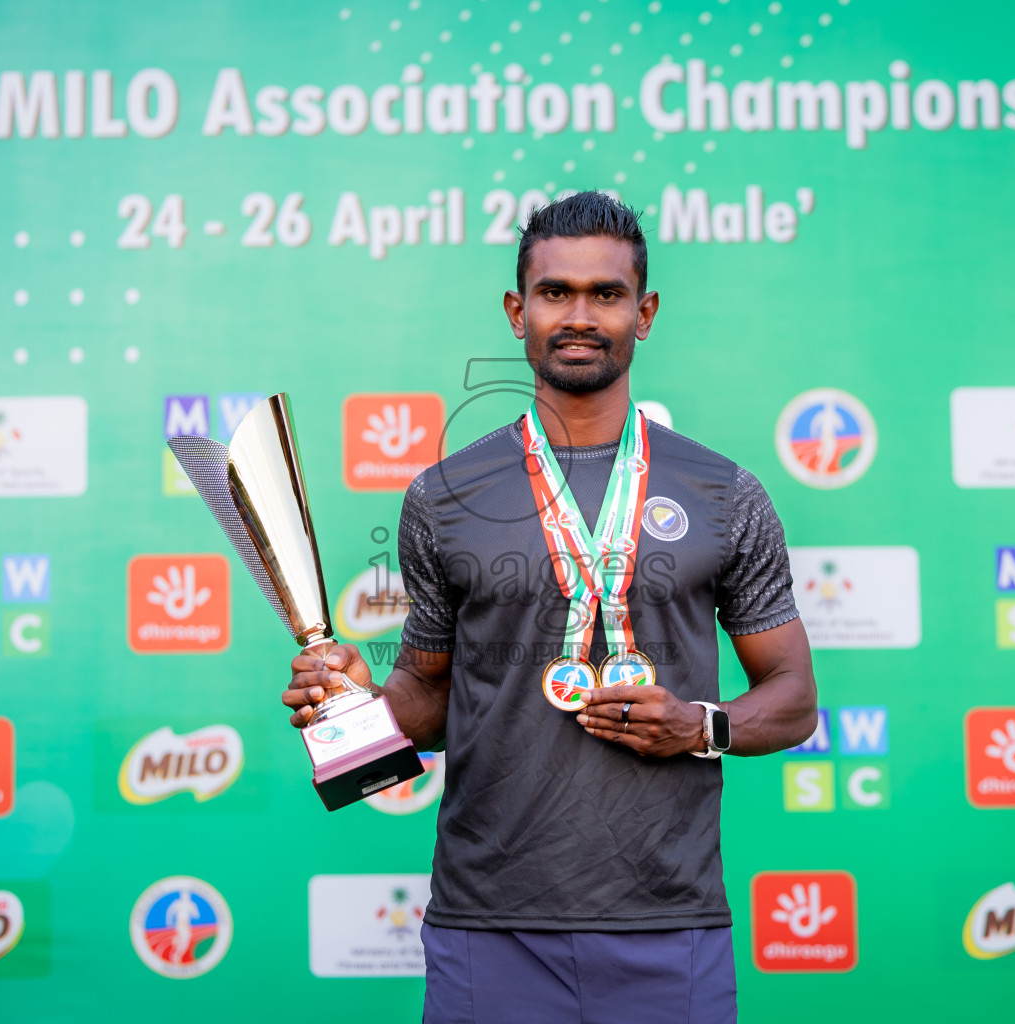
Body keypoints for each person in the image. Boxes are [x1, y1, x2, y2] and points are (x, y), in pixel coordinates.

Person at [283, 190, 818, 1023]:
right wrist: (358, 700)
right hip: (488, 925)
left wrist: (699, 726)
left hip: (667, 921)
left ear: (645, 313)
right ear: (516, 311)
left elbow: (792, 698)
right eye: (554, 292)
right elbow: (427, 703)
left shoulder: (724, 491)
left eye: (605, 294)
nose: (579, 315)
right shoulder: (444, 494)